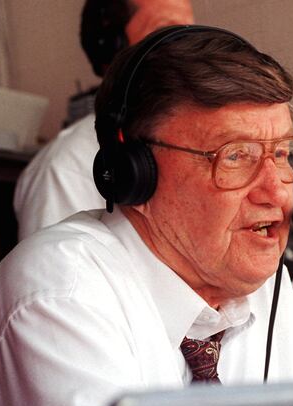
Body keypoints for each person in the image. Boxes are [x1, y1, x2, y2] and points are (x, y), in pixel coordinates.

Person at [0, 25, 293, 406]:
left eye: (283, 154)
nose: (277, 190)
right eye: (236, 156)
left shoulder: (264, 288)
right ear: (135, 174)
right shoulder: (61, 292)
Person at [13, 0, 195, 240]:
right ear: (112, 50)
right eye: (166, 32)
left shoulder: (202, 145)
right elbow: (57, 272)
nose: (192, 48)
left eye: (191, 33)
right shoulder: (66, 168)